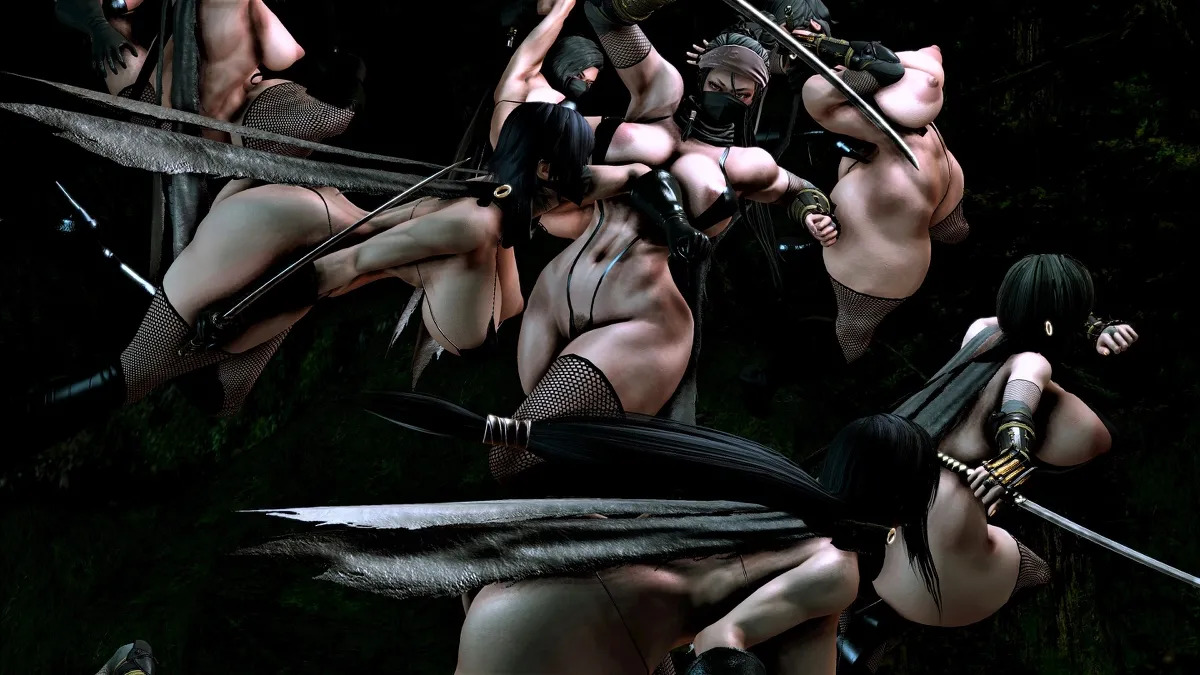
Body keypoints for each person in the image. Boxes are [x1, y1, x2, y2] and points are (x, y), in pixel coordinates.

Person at [30, 102, 640, 440]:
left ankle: (114, 265)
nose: (581, 181)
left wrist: (655, 189)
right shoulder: (475, 227)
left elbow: (612, 179)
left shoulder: (507, 210)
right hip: (289, 227)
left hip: (314, 229)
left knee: (221, 396)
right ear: (545, 171)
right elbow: (339, 267)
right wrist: (245, 314)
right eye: (572, 166)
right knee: (139, 371)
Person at [249, 408, 943, 675]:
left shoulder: (769, 484)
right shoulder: (834, 563)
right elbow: (719, 641)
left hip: (522, 593)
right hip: (578, 631)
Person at [838, 254, 1139, 671]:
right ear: (1052, 325)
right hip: (943, 537)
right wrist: (1011, 461)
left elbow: (1029, 317)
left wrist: (1094, 327)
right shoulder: (1032, 363)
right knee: (1036, 572)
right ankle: (883, 624)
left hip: (900, 493)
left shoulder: (981, 330)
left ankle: (864, 616)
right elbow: (1018, 409)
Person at [799, 38, 967, 362]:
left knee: (852, 333)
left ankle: (849, 361)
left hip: (876, 276)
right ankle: (952, 233)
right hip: (927, 222)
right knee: (950, 225)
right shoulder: (929, 129)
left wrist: (868, 75)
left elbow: (817, 99)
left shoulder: (889, 135)